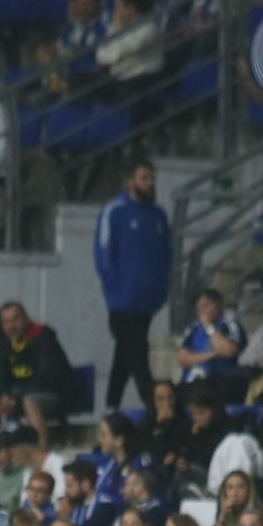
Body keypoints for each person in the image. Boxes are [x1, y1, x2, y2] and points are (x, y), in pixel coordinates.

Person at [94, 159, 171, 411]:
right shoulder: (115, 210)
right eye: (144, 178)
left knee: (126, 353)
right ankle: (154, 404)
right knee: (138, 354)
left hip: (147, 301)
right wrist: (115, 289)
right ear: (131, 181)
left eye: (152, 178)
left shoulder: (158, 216)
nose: (149, 184)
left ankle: (111, 405)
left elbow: (166, 255)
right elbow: (104, 253)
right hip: (122, 301)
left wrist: (161, 290)